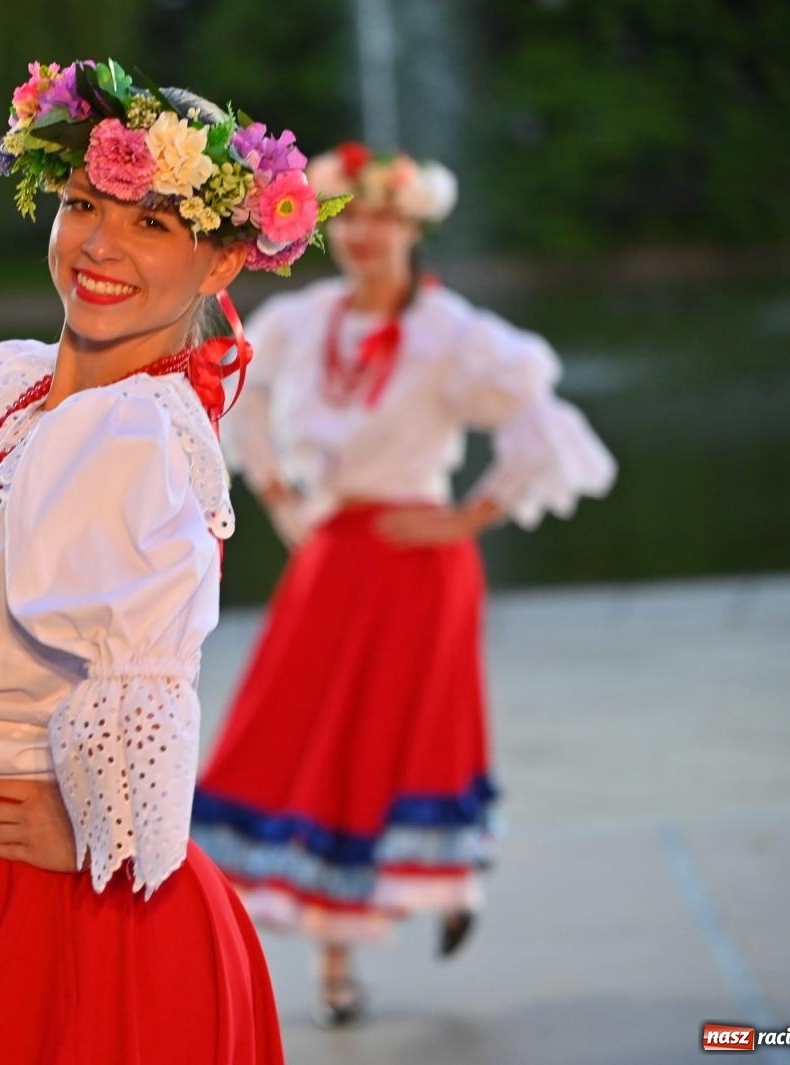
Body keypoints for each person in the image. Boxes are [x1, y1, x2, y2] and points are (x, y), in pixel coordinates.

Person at [0, 59, 346, 1064]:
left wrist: (101, 825)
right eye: (84, 203)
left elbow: (155, 669)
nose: (100, 244)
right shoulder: (8, 388)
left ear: (221, 266)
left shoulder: (130, 435)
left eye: (151, 223)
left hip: (59, 906)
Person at [190, 142, 616, 1026]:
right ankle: (335, 964)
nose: (366, 235)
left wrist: (469, 515)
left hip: (420, 561)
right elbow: (239, 395)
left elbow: (545, 424)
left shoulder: (452, 333)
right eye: (351, 218)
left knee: (412, 734)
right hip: (336, 555)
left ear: (414, 227)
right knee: (314, 739)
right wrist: (277, 492)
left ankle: (439, 878)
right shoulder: (303, 321)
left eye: (385, 217)